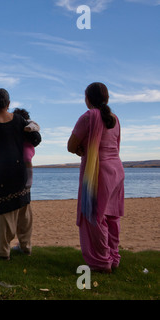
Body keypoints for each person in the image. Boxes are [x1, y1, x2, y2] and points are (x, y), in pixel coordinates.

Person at [67, 82, 124, 273]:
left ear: (88, 99)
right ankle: (113, 257)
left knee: (94, 215)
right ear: (106, 99)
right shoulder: (115, 119)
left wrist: (80, 150)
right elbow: (115, 146)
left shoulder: (89, 116)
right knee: (112, 216)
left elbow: (70, 145)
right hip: (116, 171)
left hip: (97, 171)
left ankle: (101, 261)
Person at [0, 88, 41, 260]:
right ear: (8, 104)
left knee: (3, 214)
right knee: (24, 210)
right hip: (20, 171)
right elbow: (35, 139)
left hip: (1, 173)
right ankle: (25, 246)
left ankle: (2, 251)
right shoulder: (19, 120)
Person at [13, 108, 40, 189]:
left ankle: (30, 178)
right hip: (19, 146)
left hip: (28, 146)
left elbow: (35, 126)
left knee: (27, 158)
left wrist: (28, 128)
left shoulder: (29, 122)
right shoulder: (14, 124)